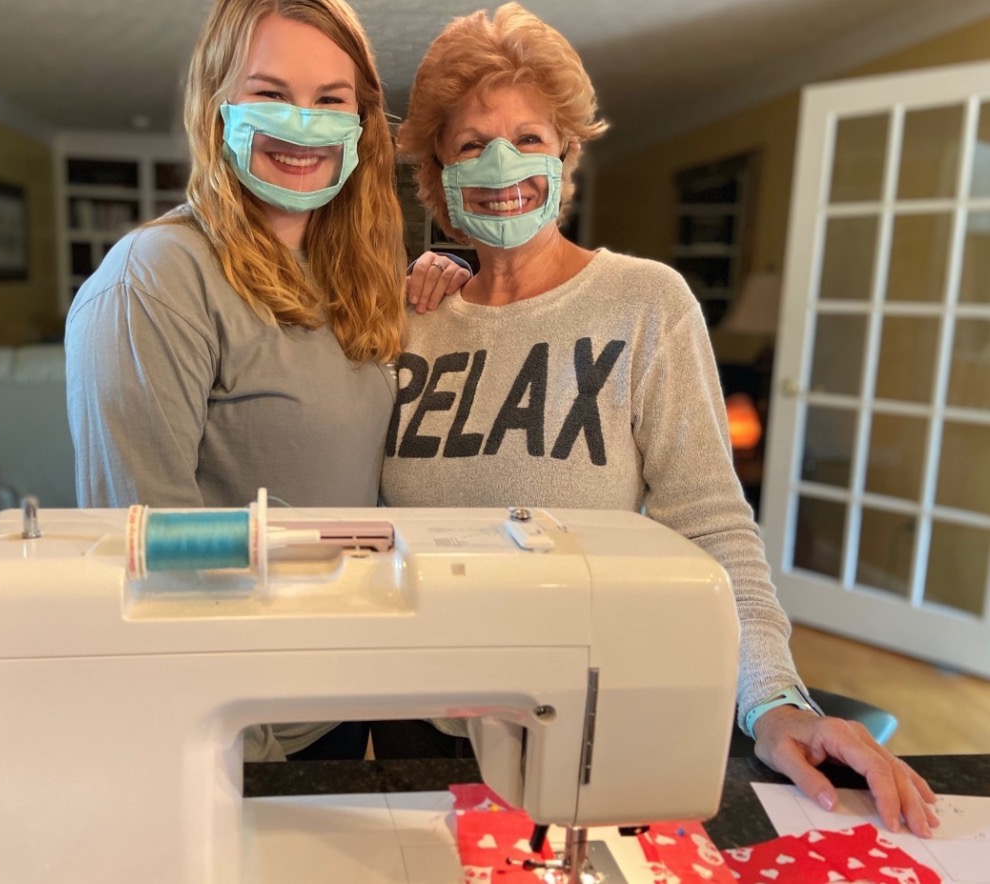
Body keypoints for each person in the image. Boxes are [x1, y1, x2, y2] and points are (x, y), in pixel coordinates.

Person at [378, 3, 940, 838]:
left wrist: (776, 702)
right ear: (437, 172)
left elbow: (712, 524)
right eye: (471, 143)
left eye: (530, 137)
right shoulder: (407, 315)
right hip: (412, 726)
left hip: (584, 729)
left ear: (568, 153)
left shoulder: (644, 303)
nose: (503, 162)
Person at [64, 0, 465, 762]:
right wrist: (248, 756)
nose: (303, 125)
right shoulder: (157, 279)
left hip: (333, 691)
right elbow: (147, 550)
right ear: (217, 108)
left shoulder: (350, 276)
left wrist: (460, 276)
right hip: (241, 721)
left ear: (362, 122)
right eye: (271, 95)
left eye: (329, 101)